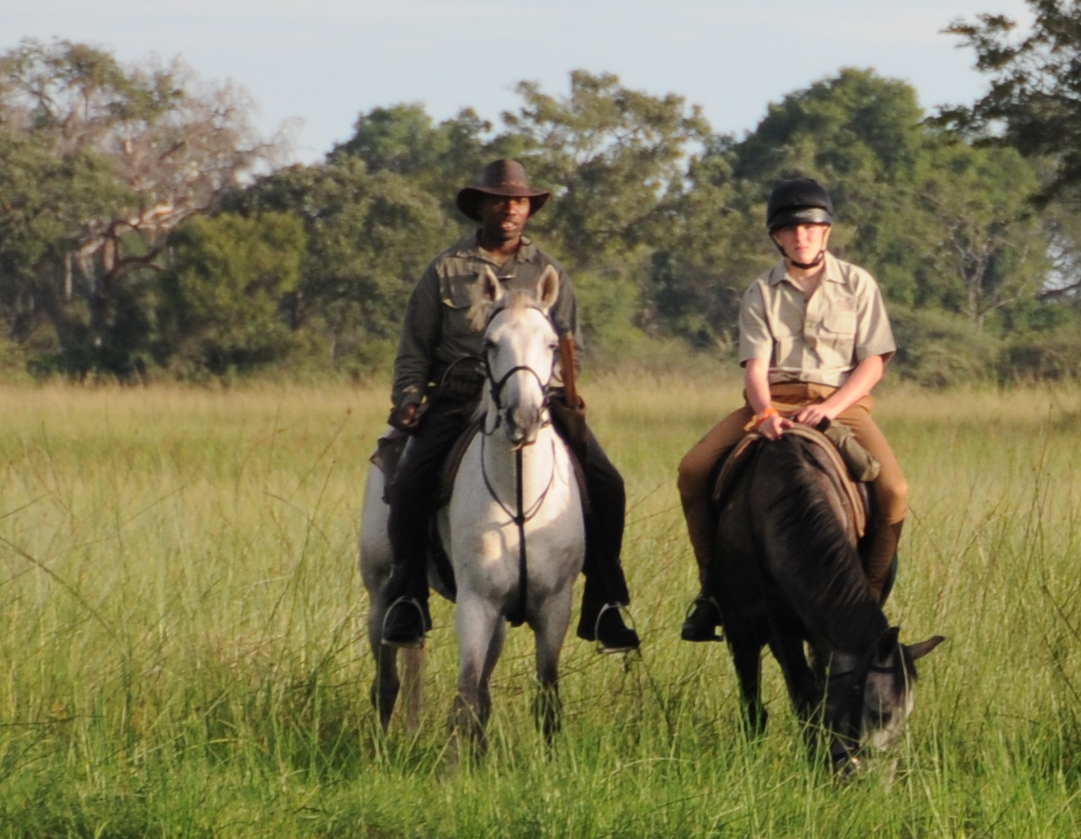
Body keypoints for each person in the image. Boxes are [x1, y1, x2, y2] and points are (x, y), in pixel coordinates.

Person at [376, 155, 639, 650]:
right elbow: (414, 349)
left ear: (529, 209)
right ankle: (408, 598)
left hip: (538, 398)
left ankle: (605, 603)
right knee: (409, 483)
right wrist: (409, 398)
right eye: (500, 199)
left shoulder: (547, 271)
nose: (511, 208)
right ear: (482, 207)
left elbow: (568, 347)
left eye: (519, 200)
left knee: (607, 484)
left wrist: (547, 390)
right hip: (458, 400)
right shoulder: (446, 270)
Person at [677, 173, 909, 640]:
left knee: (895, 492)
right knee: (692, 469)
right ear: (776, 237)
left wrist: (832, 407)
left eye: (811, 228)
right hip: (774, 401)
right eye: (791, 229)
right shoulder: (760, 292)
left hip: (841, 404)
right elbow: (755, 368)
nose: (801, 236)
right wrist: (764, 414)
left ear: (826, 232)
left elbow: (873, 363)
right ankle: (711, 594)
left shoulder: (858, 285)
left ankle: (867, 595)